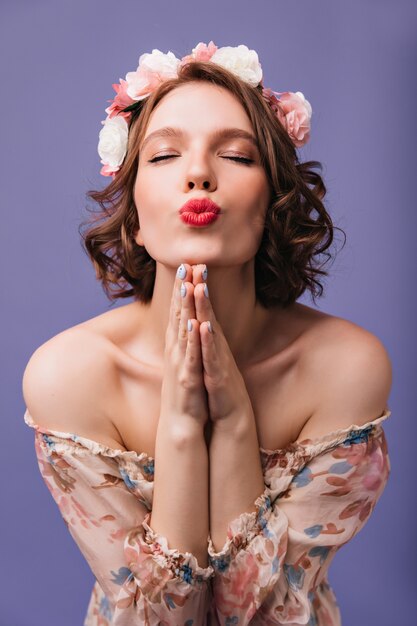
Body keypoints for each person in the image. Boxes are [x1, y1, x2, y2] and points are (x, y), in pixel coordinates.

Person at [22, 41, 392, 625]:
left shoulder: (344, 367)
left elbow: (267, 617)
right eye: (165, 156)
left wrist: (237, 421)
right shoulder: (70, 375)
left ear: (273, 203)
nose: (199, 174)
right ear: (135, 216)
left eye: (238, 158)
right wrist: (180, 426)